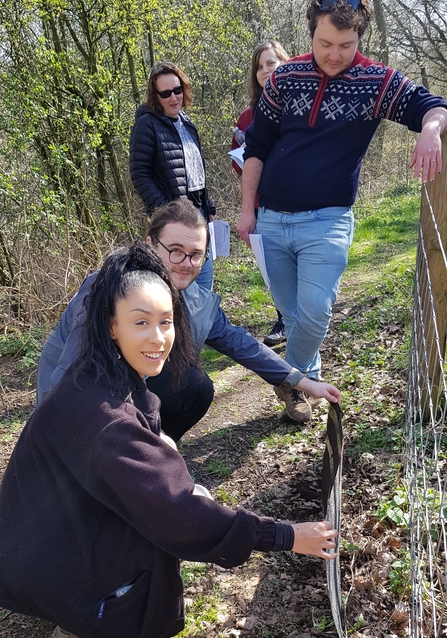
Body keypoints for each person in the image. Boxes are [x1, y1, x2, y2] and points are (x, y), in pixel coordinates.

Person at [0, 243, 339, 638]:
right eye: (141, 322)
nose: (158, 338)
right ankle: (87, 623)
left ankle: (71, 596)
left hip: (34, 543)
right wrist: (288, 536)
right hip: (39, 561)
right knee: (158, 544)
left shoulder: (97, 370)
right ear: (111, 326)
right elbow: (181, 515)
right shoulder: (105, 422)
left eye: (166, 322)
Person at [237, 0, 447, 422]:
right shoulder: (284, 77)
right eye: (325, 43)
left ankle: (289, 380)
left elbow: (434, 104)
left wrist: (430, 129)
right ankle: (305, 380)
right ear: (311, 32)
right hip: (272, 220)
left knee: (315, 310)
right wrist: (247, 211)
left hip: (328, 221)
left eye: (345, 45)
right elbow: (256, 149)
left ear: (360, 39)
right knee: (292, 312)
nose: (334, 54)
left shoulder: (376, 81)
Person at [37, 202, 341, 435]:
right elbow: (68, 373)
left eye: (196, 254)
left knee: (194, 386)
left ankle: (156, 450)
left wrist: (299, 380)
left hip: (132, 389)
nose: (186, 264)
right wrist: (56, 435)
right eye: (175, 251)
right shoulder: (108, 286)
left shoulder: (192, 297)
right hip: (80, 400)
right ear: (150, 244)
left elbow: (239, 342)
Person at [129, 61, 215, 290]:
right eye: (165, 93)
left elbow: (195, 171)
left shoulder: (187, 123)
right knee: (174, 292)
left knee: (203, 292)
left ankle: (202, 327)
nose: (173, 97)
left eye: (177, 90)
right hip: (172, 226)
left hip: (198, 218)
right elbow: (139, 174)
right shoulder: (146, 125)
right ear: (155, 96)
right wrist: (166, 212)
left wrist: (209, 206)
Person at [232, 41, 290, 348]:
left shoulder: (298, 107)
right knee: (273, 267)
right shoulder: (246, 117)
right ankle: (284, 319)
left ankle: (302, 320)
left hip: (298, 202)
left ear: (286, 63)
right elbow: (238, 163)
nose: (266, 70)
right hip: (261, 205)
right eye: (260, 66)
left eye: (272, 63)